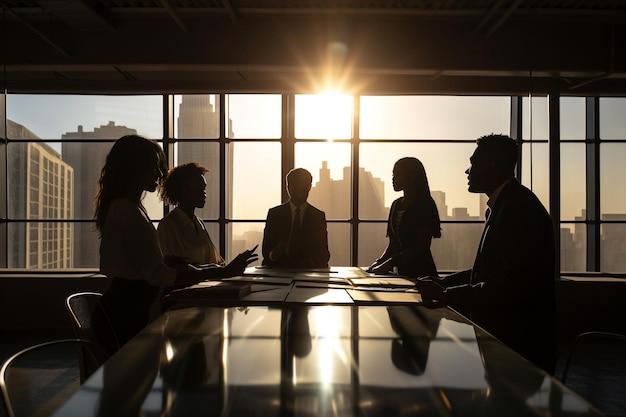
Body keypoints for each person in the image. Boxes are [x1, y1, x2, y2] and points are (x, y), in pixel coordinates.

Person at [94, 135, 257, 353]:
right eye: (153, 166)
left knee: (133, 383)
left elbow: (136, 263)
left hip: (125, 310)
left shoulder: (128, 208)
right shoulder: (128, 211)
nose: (160, 174)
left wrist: (165, 261)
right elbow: (159, 276)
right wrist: (221, 273)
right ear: (135, 168)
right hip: (124, 316)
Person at [415, 134, 556, 374]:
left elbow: (515, 285)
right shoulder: (508, 204)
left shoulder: (517, 210)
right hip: (509, 340)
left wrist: (447, 294)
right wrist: (443, 283)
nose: (467, 171)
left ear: (491, 166)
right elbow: (489, 270)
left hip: (517, 346)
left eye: (473, 163)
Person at [367, 157, 441, 278]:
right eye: (393, 175)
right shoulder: (396, 204)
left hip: (422, 272)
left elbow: (421, 246)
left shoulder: (425, 204)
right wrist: (378, 263)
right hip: (402, 272)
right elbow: (393, 244)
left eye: (398, 174)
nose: (393, 179)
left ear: (412, 177)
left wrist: (390, 263)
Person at [157, 162, 224, 268]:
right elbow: (176, 269)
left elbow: (215, 261)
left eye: (204, 188)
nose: (204, 193)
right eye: (197, 188)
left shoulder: (198, 223)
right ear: (182, 190)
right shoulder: (168, 226)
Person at [262, 168, 330, 268]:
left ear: (309, 187)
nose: (299, 190)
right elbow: (266, 251)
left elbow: (324, 254)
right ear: (288, 187)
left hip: (308, 273)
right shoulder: (275, 214)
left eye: (303, 186)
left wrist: (309, 263)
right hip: (278, 270)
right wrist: (274, 254)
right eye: (296, 186)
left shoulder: (318, 216)